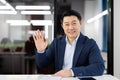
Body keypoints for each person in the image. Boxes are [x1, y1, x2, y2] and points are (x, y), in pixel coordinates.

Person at [33, 10, 105, 77]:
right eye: (67, 24)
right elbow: (42, 64)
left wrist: (71, 72)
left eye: (74, 23)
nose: (70, 28)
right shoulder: (57, 43)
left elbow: (99, 67)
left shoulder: (89, 44)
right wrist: (41, 50)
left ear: (80, 23)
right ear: (62, 26)